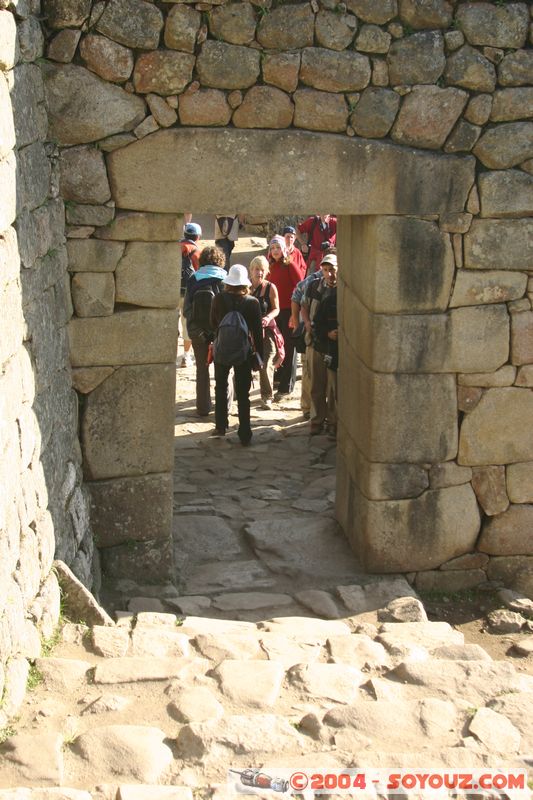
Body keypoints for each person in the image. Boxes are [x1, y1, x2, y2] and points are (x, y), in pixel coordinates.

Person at [210, 264, 264, 446]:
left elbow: (213, 323)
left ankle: (220, 425)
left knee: (220, 386)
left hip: (222, 349)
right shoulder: (252, 303)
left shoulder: (218, 299)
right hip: (243, 352)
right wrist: (260, 356)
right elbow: (257, 332)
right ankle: (245, 432)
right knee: (243, 392)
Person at [183, 245, 227, 416]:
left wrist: (196, 330)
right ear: (220, 260)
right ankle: (224, 406)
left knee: (202, 370)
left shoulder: (194, 279)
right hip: (221, 333)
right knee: (224, 369)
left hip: (198, 332)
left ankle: (203, 408)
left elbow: (187, 309)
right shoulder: (225, 278)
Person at [301, 253, 338, 438]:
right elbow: (304, 305)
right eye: (325, 270)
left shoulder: (344, 290)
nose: (329, 274)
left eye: (332, 269)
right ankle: (316, 420)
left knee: (333, 387)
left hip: (335, 347)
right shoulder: (314, 286)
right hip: (316, 342)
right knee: (316, 383)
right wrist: (307, 323)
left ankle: (333, 422)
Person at [267, 234, 306, 401]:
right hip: (275, 312)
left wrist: (295, 314)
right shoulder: (270, 266)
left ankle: (286, 386)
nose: (275, 251)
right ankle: (278, 378)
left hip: (289, 311)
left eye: (278, 247)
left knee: (290, 349)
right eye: (273, 248)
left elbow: (301, 288)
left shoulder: (290, 265)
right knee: (278, 346)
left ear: (284, 249)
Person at [249, 255, 284, 410]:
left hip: (267, 330)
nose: (260, 273)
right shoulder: (246, 287)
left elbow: (276, 308)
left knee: (267, 361)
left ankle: (267, 396)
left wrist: (268, 317)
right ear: (251, 270)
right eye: (257, 269)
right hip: (249, 331)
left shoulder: (270, 287)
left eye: (263, 270)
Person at [178, 222, 202, 368]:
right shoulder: (196, 251)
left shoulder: (174, 247)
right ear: (198, 237)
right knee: (187, 324)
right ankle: (186, 357)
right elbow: (201, 273)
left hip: (172, 292)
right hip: (189, 294)